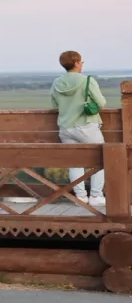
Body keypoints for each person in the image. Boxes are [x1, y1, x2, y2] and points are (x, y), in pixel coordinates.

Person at [51, 51, 107, 205]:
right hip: (86, 125)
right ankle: (96, 196)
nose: (82, 64)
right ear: (76, 63)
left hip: (65, 127)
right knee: (100, 160)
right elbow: (101, 103)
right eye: (81, 62)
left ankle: (81, 197)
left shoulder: (56, 83)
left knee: (75, 163)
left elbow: (54, 105)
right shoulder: (87, 80)